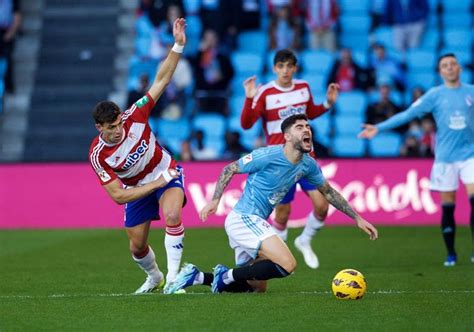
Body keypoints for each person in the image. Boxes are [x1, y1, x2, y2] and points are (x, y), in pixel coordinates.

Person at [164, 114, 378, 294]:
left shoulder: (308, 165)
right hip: (244, 218)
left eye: (308, 127)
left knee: (257, 286)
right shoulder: (267, 155)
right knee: (288, 265)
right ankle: (226, 275)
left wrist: (357, 218)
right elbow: (229, 169)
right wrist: (215, 200)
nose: (307, 130)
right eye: (300, 127)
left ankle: (199, 277)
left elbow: (328, 192)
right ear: (287, 136)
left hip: (254, 222)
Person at [88, 18, 188, 294]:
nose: (119, 130)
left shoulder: (136, 114)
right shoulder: (98, 155)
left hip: (166, 172)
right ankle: (155, 276)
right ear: (100, 128)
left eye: (119, 123)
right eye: (111, 127)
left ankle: (174, 278)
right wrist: (153, 185)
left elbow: (162, 79)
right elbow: (118, 196)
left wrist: (178, 45)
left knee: (171, 215)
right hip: (138, 188)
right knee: (137, 245)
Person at [359, 53, 474, 266]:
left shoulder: (471, 92)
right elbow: (408, 115)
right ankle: (451, 254)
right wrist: (379, 127)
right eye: (444, 65)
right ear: (440, 72)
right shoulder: (435, 95)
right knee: (448, 207)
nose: (449, 68)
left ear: (459, 68)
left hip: (470, 155)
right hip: (446, 158)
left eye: (452, 64)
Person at [240, 49, 339, 269]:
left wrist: (327, 104)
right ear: (275, 68)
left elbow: (309, 113)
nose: (285, 70)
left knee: (323, 205)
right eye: (281, 66)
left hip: (305, 158)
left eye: (289, 66)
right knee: (283, 214)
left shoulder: (303, 88)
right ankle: (281, 257)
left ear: (295, 68)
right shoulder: (265, 93)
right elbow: (246, 124)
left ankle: (304, 240)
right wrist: (249, 98)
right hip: (280, 162)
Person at [0, 0, 21, 94]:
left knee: (7, 59)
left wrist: (11, 33)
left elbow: (17, 15)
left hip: (6, 31)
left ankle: (9, 86)